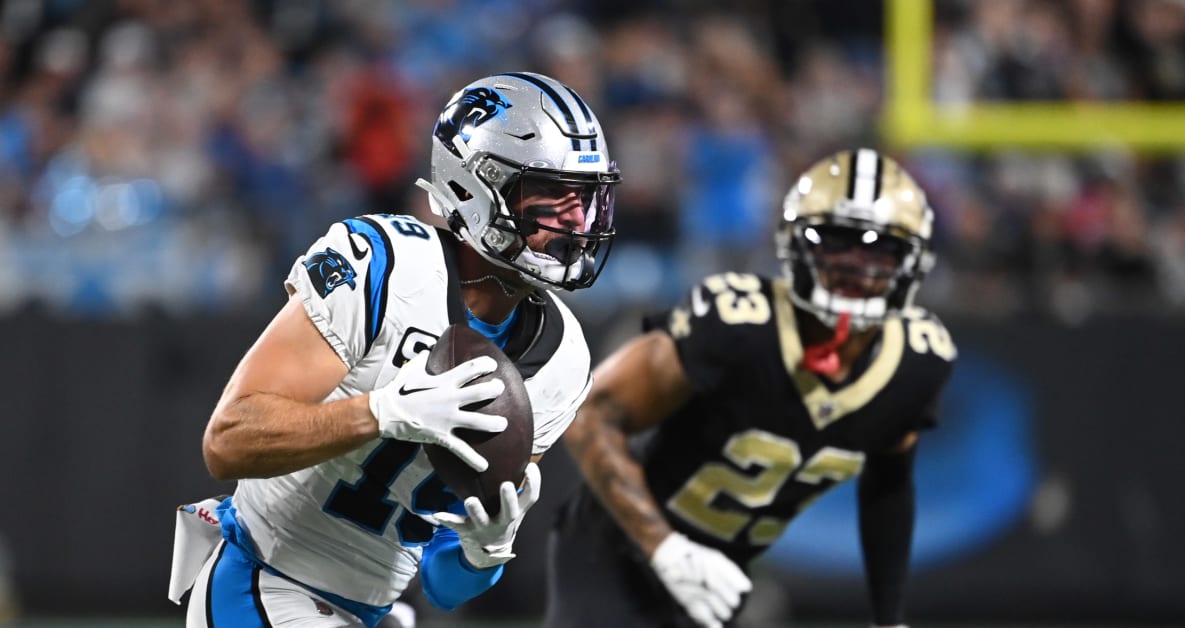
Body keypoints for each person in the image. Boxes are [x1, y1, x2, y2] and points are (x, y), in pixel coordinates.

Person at [167, 71, 619, 627]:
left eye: (587, 197)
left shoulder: (563, 360)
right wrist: (381, 412)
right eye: (551, 194)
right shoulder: (382, 266)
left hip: (373, 608)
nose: (578, 221)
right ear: (475, 187)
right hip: (264, 578)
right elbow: (228, 440)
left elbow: (445, 585)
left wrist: (484, 551)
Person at [545, 148, 955, 628]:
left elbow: (889, 483)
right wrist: (666, 548)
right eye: (837, 242)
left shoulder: (918, 361)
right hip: (613, 548)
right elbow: (591, 413)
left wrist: (890, 619)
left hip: (724, 573)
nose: (857, 267)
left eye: (880, 249)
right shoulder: (738, 324)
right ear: (797, 244)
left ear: (913, 260)